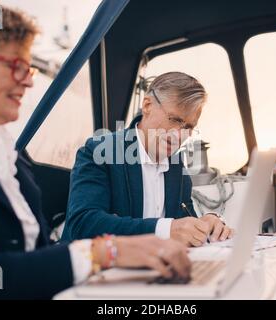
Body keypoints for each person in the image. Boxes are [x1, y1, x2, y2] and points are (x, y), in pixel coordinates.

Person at [0, 0, 190, 299]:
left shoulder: (12, 157)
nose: (27, 81)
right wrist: (105, 253)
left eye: (30, 69)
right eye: (15, 67)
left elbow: (36, 254)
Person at [62, 72, 234, 247]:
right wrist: (166, 229)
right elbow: (82, 225)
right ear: (147, 105)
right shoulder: (99, 151)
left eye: (189, 127)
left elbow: (183, 225)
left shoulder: (176, 166)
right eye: (174, 119)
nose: (179, 135)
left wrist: (208, 223)